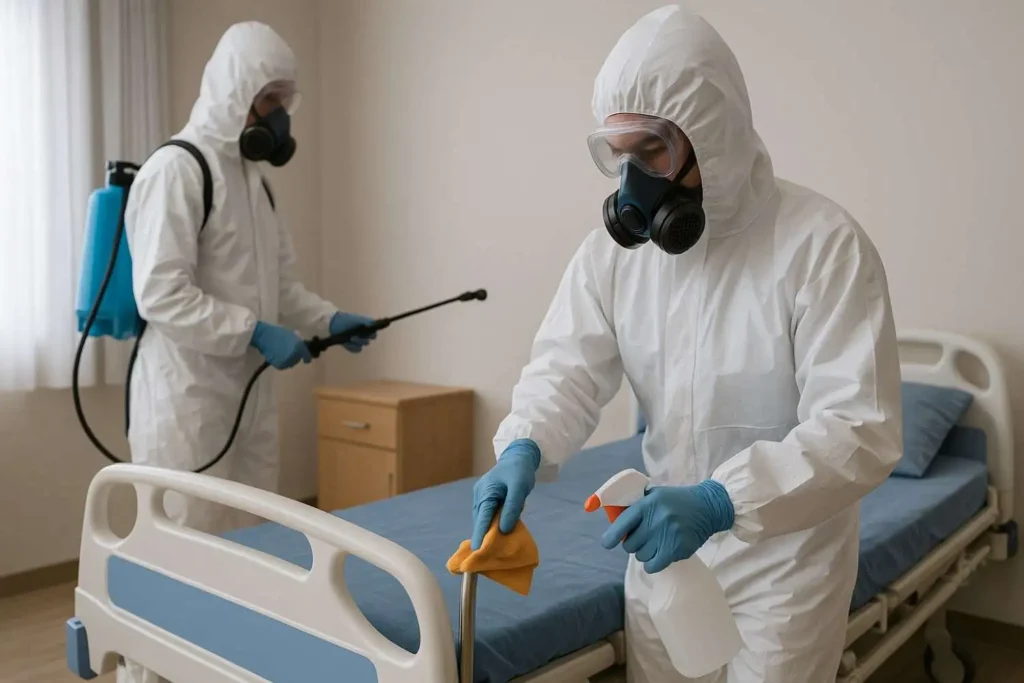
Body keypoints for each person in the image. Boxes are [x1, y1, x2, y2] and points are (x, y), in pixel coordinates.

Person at [472, 5, 902, 683]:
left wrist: (720, 500)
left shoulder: (821, 244)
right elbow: (567, 369)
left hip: (784, 570)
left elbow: (861, 429)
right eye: (621, 155)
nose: (633, 181)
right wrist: (523, 441)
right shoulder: (613, 258)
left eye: (654, 151)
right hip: (662, 559)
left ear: (714, 134)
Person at [119, 22, 374, 681]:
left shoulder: (256, 183)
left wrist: (328, 319)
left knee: (248, 545)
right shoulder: (179, 169)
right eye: (269, 100)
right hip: (187, 402)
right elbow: (160, 294)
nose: (281, 116)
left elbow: (279, 289)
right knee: (178, 551)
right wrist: (252, 331)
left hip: (249, 395)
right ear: (236, 95)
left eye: (287, 100)